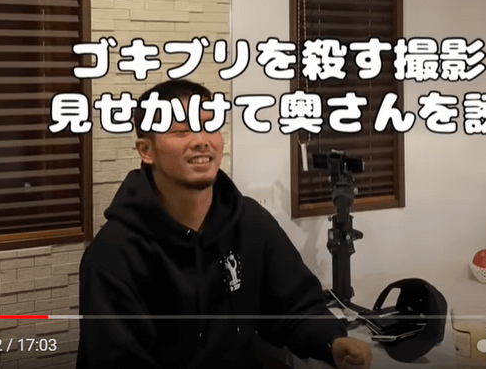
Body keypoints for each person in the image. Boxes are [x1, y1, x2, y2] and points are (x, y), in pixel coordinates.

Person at [76, 79, 373, 369]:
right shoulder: (113, 255)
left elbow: (296, 307)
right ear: (146, 151)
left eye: (210, 125)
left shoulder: (249, 221)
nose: (201, 140)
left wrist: (331, 343)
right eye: (181, 131)